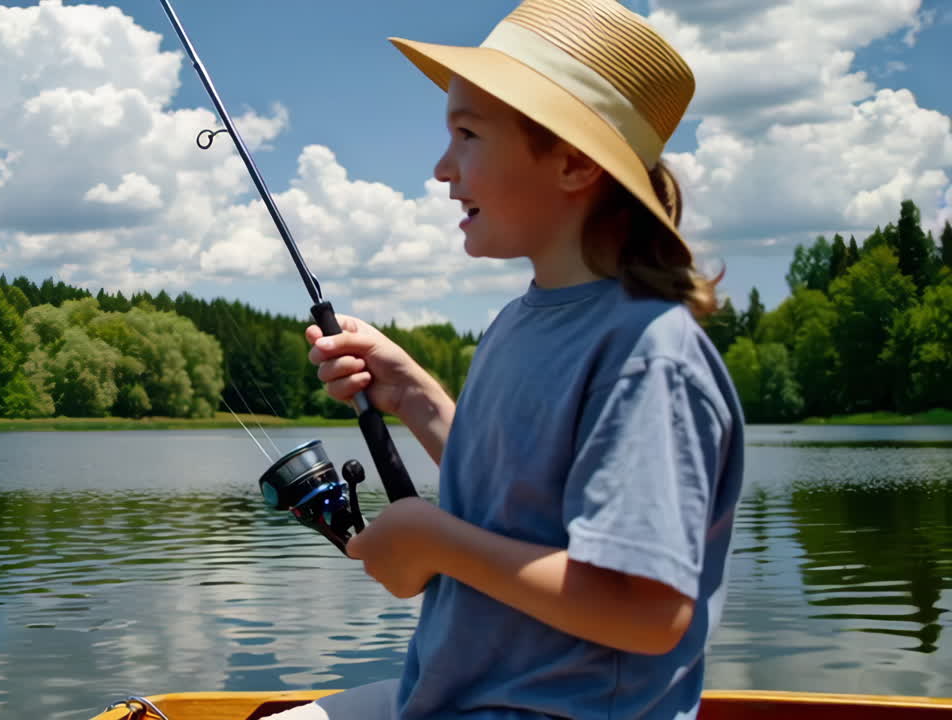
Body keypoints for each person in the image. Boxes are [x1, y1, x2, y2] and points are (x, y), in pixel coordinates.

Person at [268, 0, 746, 718]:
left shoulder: (650, 357)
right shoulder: (516, 323)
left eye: (466, 134)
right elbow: (524, 499)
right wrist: (417, 398)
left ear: (575, 160)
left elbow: (647, 612)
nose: (440, 168)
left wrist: (436, 542)